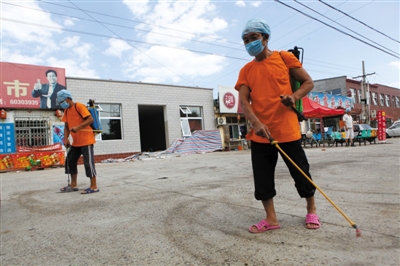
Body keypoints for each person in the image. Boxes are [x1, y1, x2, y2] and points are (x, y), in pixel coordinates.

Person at [235, 18, 320, 233]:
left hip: (287, 129)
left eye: (253, 38)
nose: (249, 43)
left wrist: (294, 96)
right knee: (262, 178)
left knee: (301, 172)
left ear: (265, 38)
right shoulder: (246, 70)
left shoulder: (284, 58)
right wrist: (257, 123)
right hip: (260, 133)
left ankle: (311, 209)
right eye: (245, 40)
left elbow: (308, 82)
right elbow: (244, 101)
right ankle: (271, 218)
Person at [57, 90, 99, 194]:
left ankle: (94, 186)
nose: (62, 104)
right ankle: (73, 185)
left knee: (88, 163)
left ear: (68, 98)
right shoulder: (66, 111)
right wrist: (66, 139)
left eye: (62, 101)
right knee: (70, 160)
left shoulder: (79, 106)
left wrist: (78, 127)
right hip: (76, 142)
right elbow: (66, 126)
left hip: (87, 140)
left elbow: (90, 119)